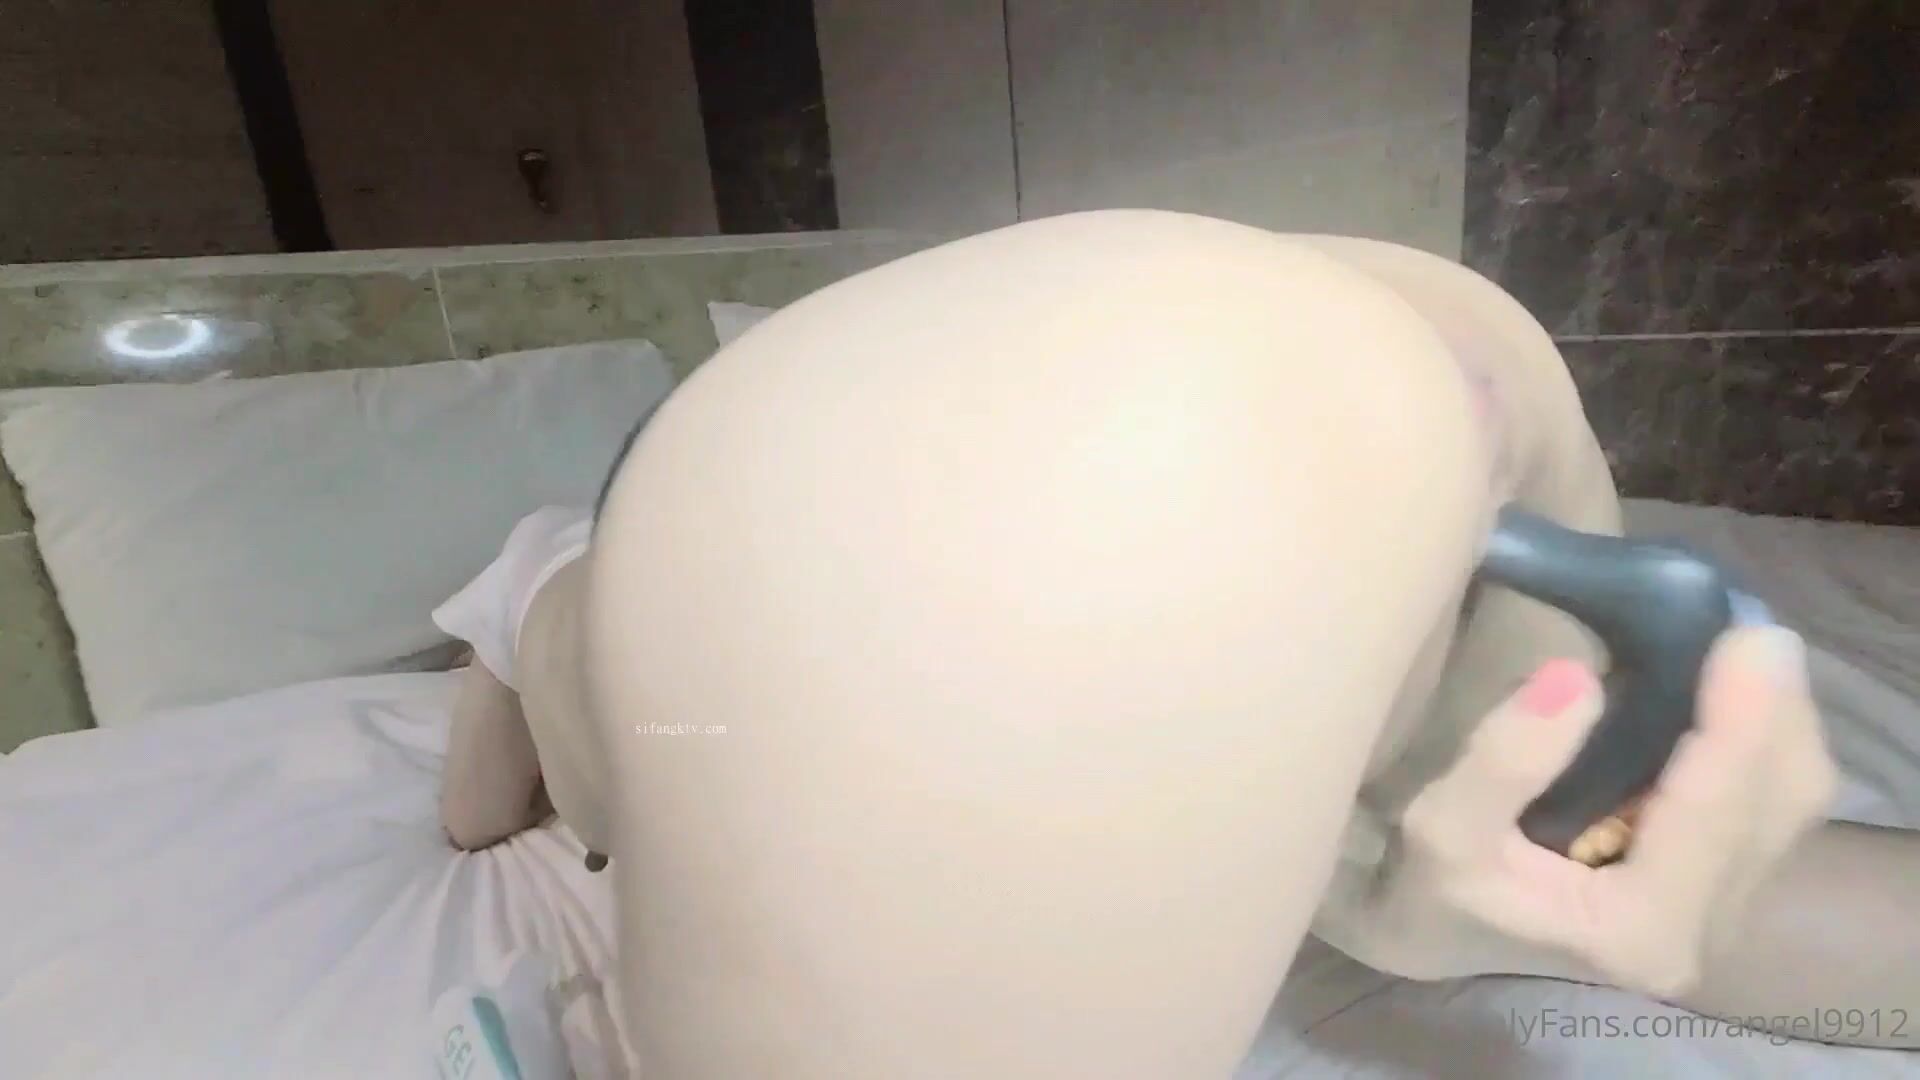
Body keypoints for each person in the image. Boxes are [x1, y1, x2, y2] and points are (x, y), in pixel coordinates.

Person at [573, 209, 1863, 1078]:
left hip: (1217, 415)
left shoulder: (582, 578)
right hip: (1373, 393)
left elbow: (495, 798)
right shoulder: (619, 569)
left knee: (1576, 861)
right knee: (1598, 871)